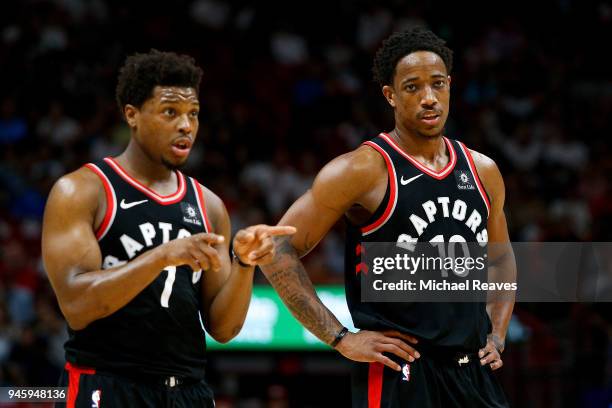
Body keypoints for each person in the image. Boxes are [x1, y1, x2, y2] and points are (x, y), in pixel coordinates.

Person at [261, 27, 515, 407]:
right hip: (403, 374)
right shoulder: (362, 169)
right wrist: (339, 337)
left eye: (438, 84)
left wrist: (497, 332)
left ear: (451, 86)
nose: (429, 98)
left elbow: (502, 258)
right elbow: (277, 246)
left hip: (473, 371)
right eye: (413, 87)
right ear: (390, 95)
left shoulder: (483, 170)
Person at [42, 50, 295, 408]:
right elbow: (77, 306)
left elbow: (224, 330)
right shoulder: (83, 191)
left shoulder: (209, 205)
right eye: (170, 112)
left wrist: (243, 264)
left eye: (193, 114)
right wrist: (160, 256)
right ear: (132, 114)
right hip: (107, 385)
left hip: (188, 391)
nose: (186, 126)